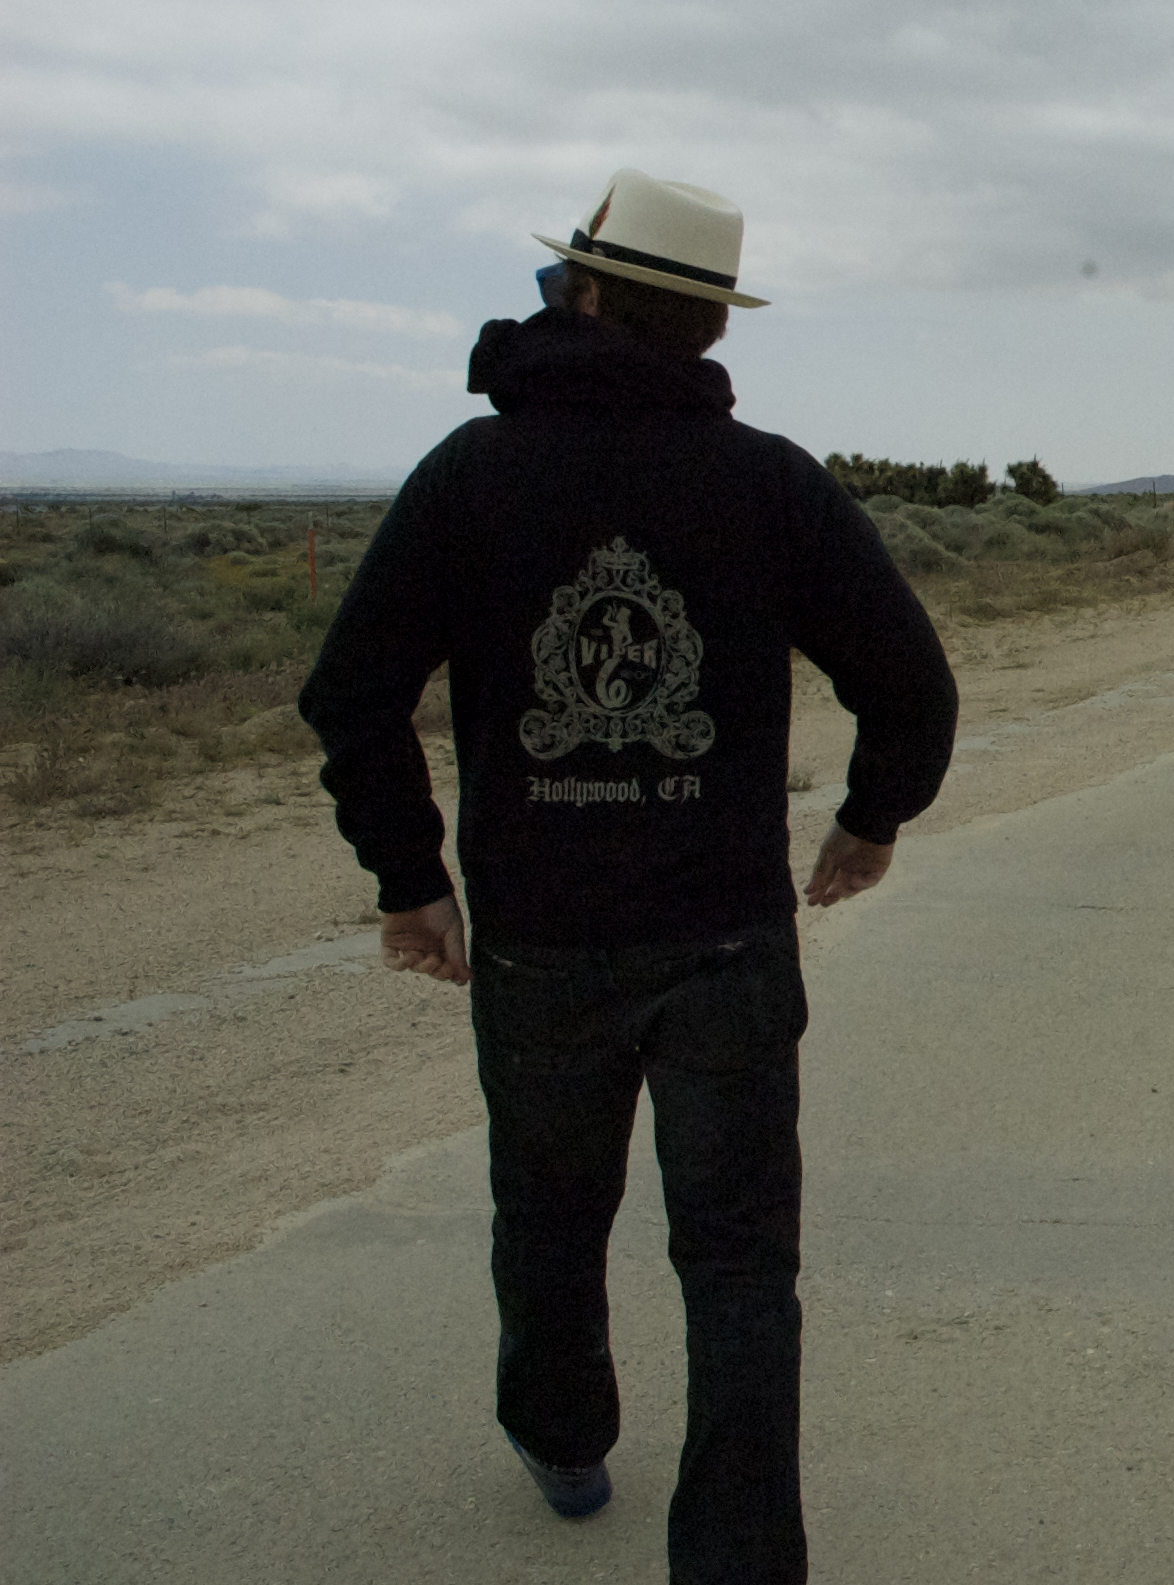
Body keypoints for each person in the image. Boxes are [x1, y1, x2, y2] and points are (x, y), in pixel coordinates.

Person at [300, 168, 957, 1584]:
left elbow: (351, 693)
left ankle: (562, 1436)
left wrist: (411, 879)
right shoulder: (769, 482)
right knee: (739, 1263)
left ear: (589, 297)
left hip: (539, 940)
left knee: (549, 1213)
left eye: (564, 280)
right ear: (707, 327)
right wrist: (872, 820)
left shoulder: (471, 474)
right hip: (725, 941)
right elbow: (910, 679)